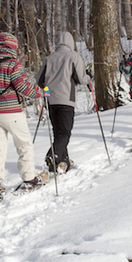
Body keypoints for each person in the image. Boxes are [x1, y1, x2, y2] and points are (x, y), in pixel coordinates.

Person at [0, 32, 44, 201]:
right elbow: (24, 88)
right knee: (24, 145)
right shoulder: (12, 65)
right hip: (11, 113)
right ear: (12, 47)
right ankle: (29, 179)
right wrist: (41, 92)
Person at [37, 31, 91, 173]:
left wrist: (48, 93)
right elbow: (81, 78)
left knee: (58, 132)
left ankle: (63, 160)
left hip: (51, 100)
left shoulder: (49, 59)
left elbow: (40, 81)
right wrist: (89, 77)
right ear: (71, 43)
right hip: (67, 99)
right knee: (65, 133)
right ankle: (53, 155)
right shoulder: (73, 57)